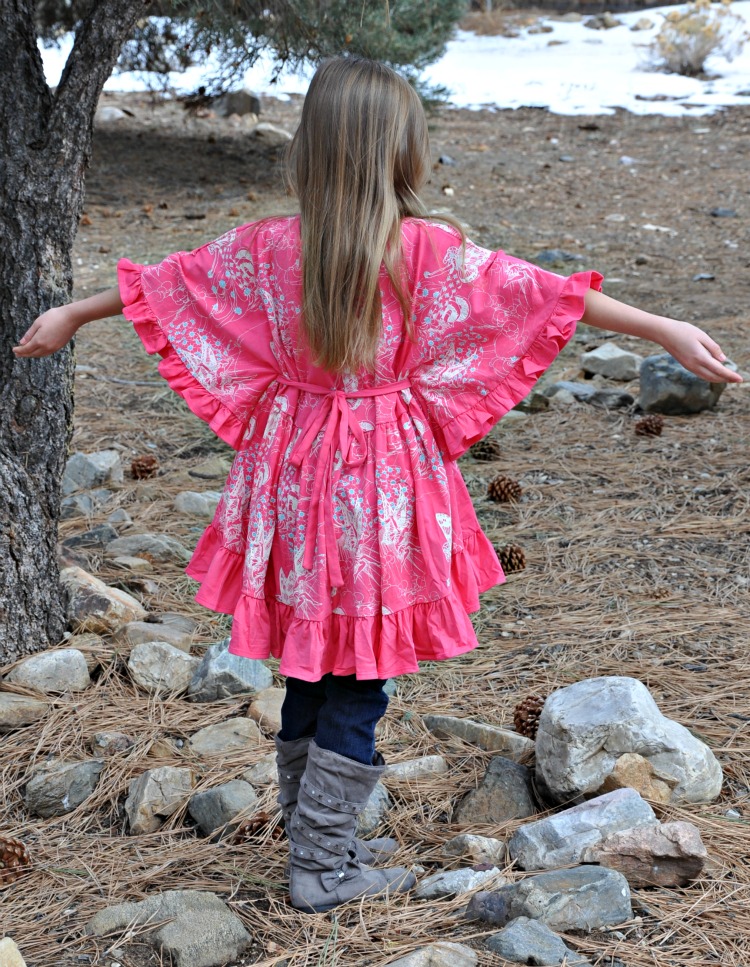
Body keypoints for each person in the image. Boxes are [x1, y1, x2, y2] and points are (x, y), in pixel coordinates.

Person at [12, 56, 741, 914]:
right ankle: (323, 867)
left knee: (313, 667)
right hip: (380, 497)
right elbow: (544, 297)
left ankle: (319, 837)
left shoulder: (268, 247)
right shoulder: (423, 251)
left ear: (312, 148)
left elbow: (168, 288)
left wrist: (70, 312)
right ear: (402, 151)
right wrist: (664, 327)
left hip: (290, 484)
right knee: (358, 675)